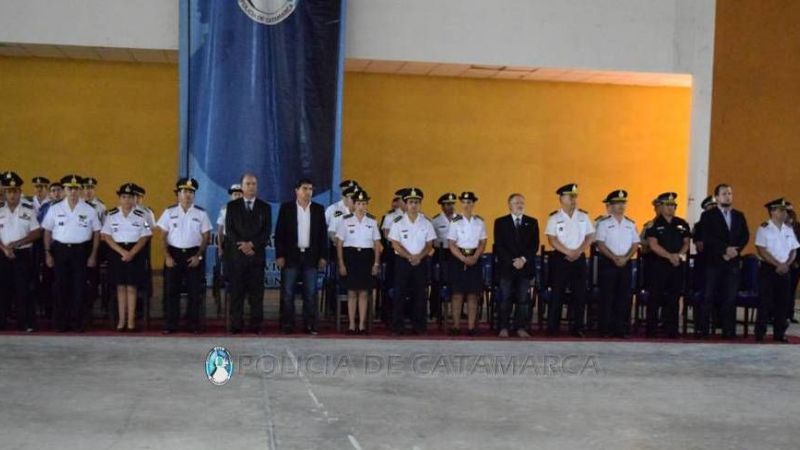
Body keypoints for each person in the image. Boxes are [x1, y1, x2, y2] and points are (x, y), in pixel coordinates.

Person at [41, 174, 102, 332]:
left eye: (76, 188)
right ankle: (61, 323)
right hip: (60, 251)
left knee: (79, 287)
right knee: (60, 287)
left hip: (81, 251)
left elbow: (97, 232)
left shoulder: (89, 209)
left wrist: (93, 255)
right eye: (69, 188)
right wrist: (48, 253)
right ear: (64, 190)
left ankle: (78, 323)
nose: (73, 192)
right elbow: (47, 231)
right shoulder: (55, 208)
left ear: (80, 190)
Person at [156, 177, 212, 334]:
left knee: (194, 292)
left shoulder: (201, 213)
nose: (187, 195)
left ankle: (193, 324)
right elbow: (162, 236)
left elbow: (206, 237)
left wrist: (198, 256)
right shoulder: (169, 212)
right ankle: (170, 324)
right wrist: (167, 256)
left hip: (193, 255)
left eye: (190, 192)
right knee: (170, 291)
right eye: (184, 191)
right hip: (173, 254)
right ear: (178, 194)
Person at [694, 184, 749, 339]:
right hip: (713, 262)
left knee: (730, 297)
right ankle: (704, 330)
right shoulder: (708, 216)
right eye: (724, 193)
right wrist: (724, 250)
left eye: (730, 193)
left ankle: (728, 330)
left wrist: (735, 251)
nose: (728, 196)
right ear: (717, 197)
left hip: (732, 262)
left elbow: (744, 236)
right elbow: (706, 237)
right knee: (709, 295)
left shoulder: (739, 215)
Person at [274, 178, 328, 334]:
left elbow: (322, 235)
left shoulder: (318, 209)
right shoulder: (287, 208)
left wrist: (323, 256)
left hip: (311, 256)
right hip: (291, 256)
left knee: (310, 293)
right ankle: (287, 325)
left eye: (310, 189)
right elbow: (279, 234)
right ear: (296, 190)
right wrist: (280, 255)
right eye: (304, 188)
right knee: (288, 293)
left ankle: (310, 325)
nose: (308, 192)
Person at [544, 183, 595, 337]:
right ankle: (553, 327)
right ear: (561, 198)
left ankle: (578, 327)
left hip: (579, 258)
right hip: (561, 258)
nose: (573, 199)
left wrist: (579, 251)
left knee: (579, 294)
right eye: (570, 196)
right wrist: (568, 252)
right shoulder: (555, 217)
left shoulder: (583, 216)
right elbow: (552, 239)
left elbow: (590, 236)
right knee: (557, 293)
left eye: (575, 196)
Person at [101, 183, 152, 332]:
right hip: (117, 252)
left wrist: (132, 252)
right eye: (124, 197)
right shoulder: (111, 215)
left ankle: (131, 321)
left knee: (131, 287)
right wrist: (122, 252)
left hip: (135, 252)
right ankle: (121, 320)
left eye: (130, 197)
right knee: (120, 287)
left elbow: (146, 235)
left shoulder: (142, 215)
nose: (127, 200)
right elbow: (106, 236)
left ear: (134, 199)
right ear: (119, 198)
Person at [224, 173, 271, 334]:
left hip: (256, 257)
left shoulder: (265, 207)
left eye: (254, 184)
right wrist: (243, 246)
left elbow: (266, 232)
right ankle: (236, 325)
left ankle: (256, 325)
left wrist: (252, 244)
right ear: (242, 187)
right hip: (237, 257)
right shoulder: (232, 206)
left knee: (256, 294)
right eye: (248, 184)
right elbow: (229, 230)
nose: (251, 187)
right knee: (237, 293)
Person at [388, 188, 436, 335]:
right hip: (403, 262)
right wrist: (409, 256)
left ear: (420, 204)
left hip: (420, 263)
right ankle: (398, 326)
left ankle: (419, 326)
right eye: (410, 202)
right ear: (406, 204)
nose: (413, 205)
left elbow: (429, 245)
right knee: (400, 294)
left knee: (420, 295)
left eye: (416, 202)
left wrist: (418, 257)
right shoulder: (398, 222)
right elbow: (395, 244)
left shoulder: (426, 223)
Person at [644, 192, 691, 338]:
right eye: (668, 205)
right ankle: (651, 329)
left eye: (673, 205)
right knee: (655, 297)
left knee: (674, 297)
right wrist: (669, 256)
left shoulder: (682, 223)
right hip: (659, 265)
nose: (671, 208)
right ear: (661, 206)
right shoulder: (654, 224)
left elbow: (686, 242)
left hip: (676, 265)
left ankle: (672, 329)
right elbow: (653, 244)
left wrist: (679, 256)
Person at [594, 190, 640, 337]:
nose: (621, 206)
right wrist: (614, 258)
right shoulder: (604, 223)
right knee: (607, 297)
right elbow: (600, 244)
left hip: (626, 263)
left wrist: (626, 258)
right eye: (617, 203)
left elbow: (635, 244)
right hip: (609, 263)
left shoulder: (630, 224)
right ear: (610, 206)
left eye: (623, 203)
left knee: (624, 297)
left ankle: (621, 328)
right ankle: (605, 329)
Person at [335, 189, 381, 334]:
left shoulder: (372, 221)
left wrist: (376, 263)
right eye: (359, 203)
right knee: (351, 293)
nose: (361, 206)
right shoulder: (345, 220)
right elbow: (339, 244)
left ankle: (361, 325)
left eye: (364, 203)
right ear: (354, 205)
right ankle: (351, 324)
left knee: (363, 293)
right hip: (351, 257)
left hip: (366, 258)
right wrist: (341, 263)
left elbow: (377, 244)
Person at [0, 172, 42, 331]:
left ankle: (25, 323)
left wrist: (17, 244)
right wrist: (5, 248)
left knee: (23, 289)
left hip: (22, 255)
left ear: (19, 192)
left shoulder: (29, 210)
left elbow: (36, 232)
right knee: (2, 289)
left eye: (15, 191)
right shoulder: (0, 210)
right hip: (2, 255)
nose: (12, 194)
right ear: (4, 192)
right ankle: (2, 322)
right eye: (8, 191)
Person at [493, 193, 539, 338]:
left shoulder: (532, 222)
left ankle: (520, 327)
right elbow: (499, 246)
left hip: (524, 267)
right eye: (516, 202)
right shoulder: (500, 222)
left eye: (522, 202)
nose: (520, 205)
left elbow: (534, 245)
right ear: (509, 205)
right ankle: (504, 327)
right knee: (505, 298)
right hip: (507, 267)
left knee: (522, 299)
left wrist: (523, 260)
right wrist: (512, 261)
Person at [754, 198, 798, 343]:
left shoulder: (788, 229)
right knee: (765, 302)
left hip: (785, 269)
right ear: (773, 211)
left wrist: (786, 264)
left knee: (783, 302)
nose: (785, 213)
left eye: (785, 210)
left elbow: (794, 250)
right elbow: (761, 250)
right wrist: (777, 264)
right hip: (768, 269)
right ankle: (760, 333)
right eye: (781, 210)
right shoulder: (764, 228)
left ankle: (779, 333)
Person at [446, 191, 488, 336]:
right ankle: (456, 326)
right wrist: (463, 258)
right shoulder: (455, 221)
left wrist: (475, 256)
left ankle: (471, 327)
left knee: (472, 294)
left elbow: (483, 242)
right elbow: (451, 244)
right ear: (461, 204)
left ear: (473, 204)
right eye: (464, 202)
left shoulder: (479, 221)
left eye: (469, 202)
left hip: (475, 258)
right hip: (458, 259)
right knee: (457, 294)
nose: (466, 205)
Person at [430, 192, 457, 321]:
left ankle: (456, 310)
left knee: (455, 281)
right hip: (441, 253)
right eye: (447, 204)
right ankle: (435, 310)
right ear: (442, 206)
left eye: (452, 204)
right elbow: (432, 239)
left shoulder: (459, 219)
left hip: (455, 253)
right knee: (437, 281)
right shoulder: (435, 220)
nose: (450, 207)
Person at [216, 183, 243, 257]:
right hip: (228, 243)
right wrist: (220, 248)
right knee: (228, 267)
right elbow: (220, 231)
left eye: (239, 194)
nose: (237, 196)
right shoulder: (224, 210)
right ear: (231, 196)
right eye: (235, 194)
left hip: (243, 243)